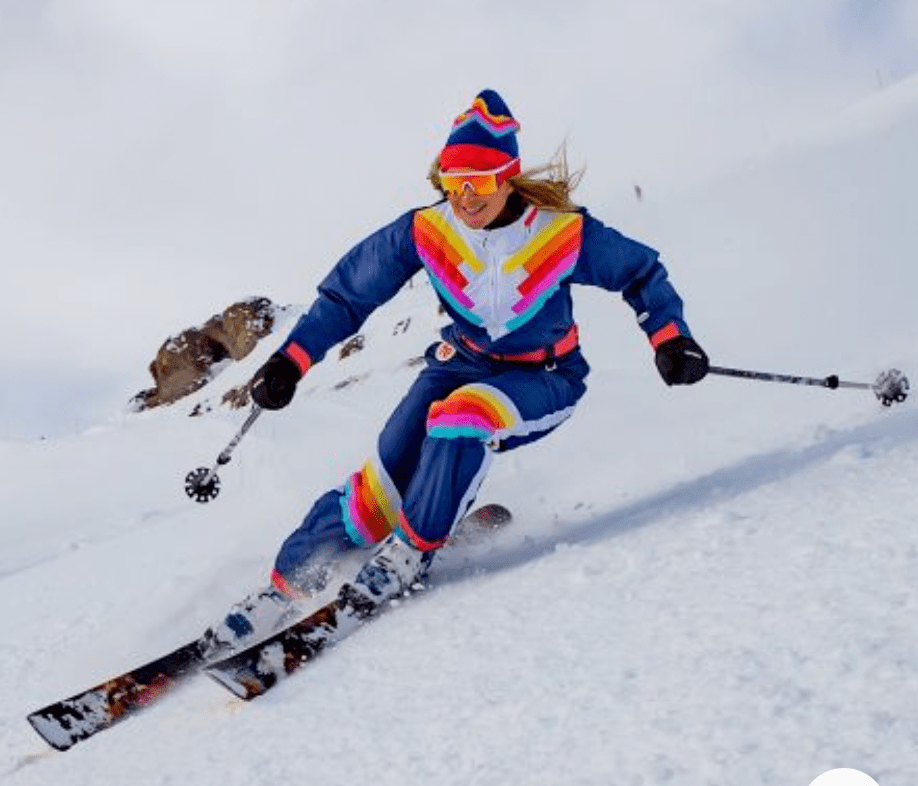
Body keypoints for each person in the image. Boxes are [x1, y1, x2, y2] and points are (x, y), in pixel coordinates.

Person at [203, 89, 709, 651]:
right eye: (454, 180)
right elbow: (349, 296)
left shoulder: (562, 234)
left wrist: (670, 338)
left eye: (483, 181)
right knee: (377, 496)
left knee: (463, 419)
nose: (467, 196)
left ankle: (411, 551)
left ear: (509, 177)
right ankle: (284, 588)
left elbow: (640, 273)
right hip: (460, 363)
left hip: (543, 377)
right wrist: (290, 361)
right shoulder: (426, 231)